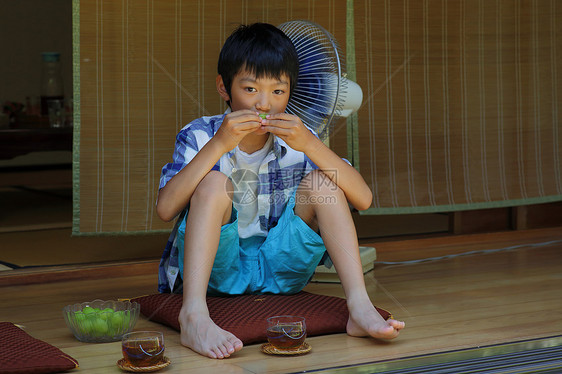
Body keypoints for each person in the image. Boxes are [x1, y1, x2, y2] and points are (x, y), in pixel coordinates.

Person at [156, 22, 405, 359]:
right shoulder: (200, 134)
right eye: (250, 89)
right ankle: (194, 315)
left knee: (323, 181)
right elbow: (166, 208)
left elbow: (363, 198)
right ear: (223, 87)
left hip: (283, 270)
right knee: (214, 183)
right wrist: (219, 145)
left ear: (292, 91)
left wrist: (310, 144)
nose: (264, 104)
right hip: (217, 271)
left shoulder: (300, 136)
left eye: (278, 91)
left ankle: (359, 306)